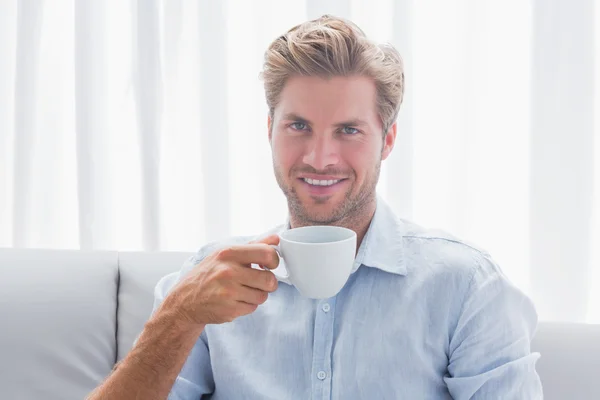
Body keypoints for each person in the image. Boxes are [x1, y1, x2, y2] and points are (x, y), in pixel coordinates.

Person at [88, 15, 542, 400]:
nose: (320, 157)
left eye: (348, 130)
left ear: (388, 140)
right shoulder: (205, 281)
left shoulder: (465, 287)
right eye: (299, 125)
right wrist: (179, 315)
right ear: (270, 129)